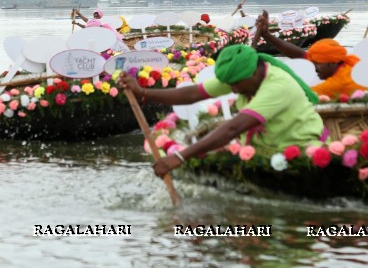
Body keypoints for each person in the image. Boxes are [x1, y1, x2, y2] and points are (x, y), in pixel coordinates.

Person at [117, 44, 325, 177]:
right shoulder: (241, 78)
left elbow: (232, 129)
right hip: (263, 149)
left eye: (235, 85)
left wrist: (180, 157)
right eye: (230, 85)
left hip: (299, 150)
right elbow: (192, 95)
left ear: (253, 73)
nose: (232, 90)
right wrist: (143, 92)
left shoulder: (276, 86)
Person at [253, 10, 367, 99]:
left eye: (317, 64)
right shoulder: (344, 62)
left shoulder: (339, 82)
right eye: (313, 63)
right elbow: (300, 54)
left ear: (332, 63)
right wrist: (267, 35)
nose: (314, 68)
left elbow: (301, 95)